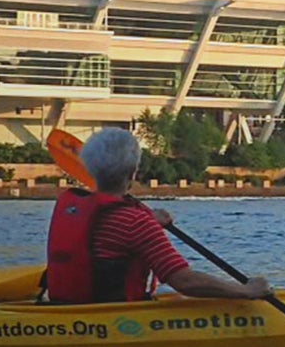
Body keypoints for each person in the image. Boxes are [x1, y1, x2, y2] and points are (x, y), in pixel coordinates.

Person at [44, 128, 273, 304]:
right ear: (134, 172)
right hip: (112, 317)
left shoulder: (71, 207)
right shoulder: (136, 223)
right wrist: (247, 290)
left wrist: (147, 219)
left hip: (69, 309)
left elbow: (109, 231)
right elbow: (184, 282)